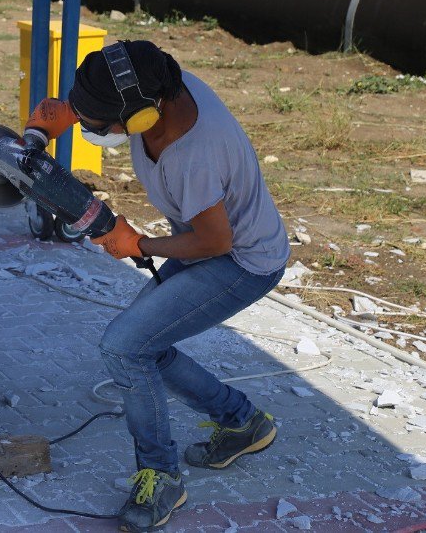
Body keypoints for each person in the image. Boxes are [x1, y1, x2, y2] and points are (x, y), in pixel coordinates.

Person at [24, 40, 290, 532]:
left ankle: (162, 477)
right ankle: (241, 422)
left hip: (241, 261)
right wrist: (53, 121)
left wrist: (140, 245)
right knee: (142, 345)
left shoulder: (195, 154)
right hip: (212, 243)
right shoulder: (151, 83)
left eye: (99, 124)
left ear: (144, 117)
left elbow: (214, 240)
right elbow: (100, 90)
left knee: (125, 347)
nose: (92, 128)